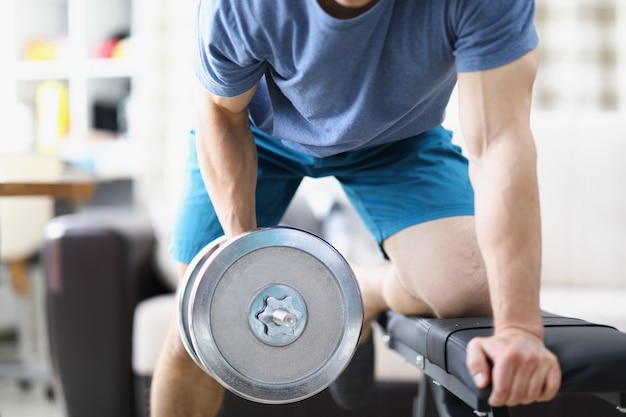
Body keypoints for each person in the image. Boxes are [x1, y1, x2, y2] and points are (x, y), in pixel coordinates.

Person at [151, 0, 563, 415]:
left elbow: (499, 145)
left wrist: (518, 329)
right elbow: (222, 110)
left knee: (471, 289)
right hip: (256, 130)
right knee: (200, 323)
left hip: (397, 136)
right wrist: (242, 263)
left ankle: (361, 292)